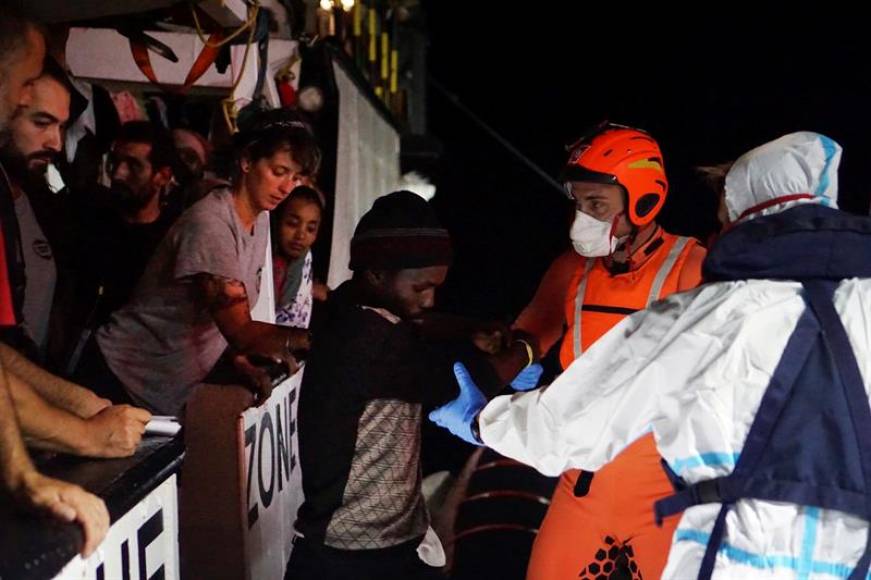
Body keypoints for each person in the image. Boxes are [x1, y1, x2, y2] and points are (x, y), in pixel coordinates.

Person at [431, 131, 871, 578]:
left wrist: (482, 421)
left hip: (717, 531)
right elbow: (533, 333)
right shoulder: (863, 303)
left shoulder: (710, 307)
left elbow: (581, 416)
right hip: (854, 552)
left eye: (724, 218)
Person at [286, 191, 539, 580]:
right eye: (421, 287)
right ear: (376, 273)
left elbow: (419, 324)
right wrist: (531, 345)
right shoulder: (369, 338)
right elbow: (469, 384)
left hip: (381, 545)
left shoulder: (352, 309)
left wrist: (470, 328)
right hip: (352, 556)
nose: (430, 298)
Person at [501, 123, 706, 579]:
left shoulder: (692, 268)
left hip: (664, 491)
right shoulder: (573, 268)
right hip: (582, 484)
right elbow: (527, 338)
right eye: (578, 202)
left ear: (644, 199)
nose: (582, 218)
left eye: (596, 204)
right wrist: (493, 375)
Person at [89, 109, 319, 413]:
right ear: (247, 160)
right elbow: (241, 330)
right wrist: (322, 341)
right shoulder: (211, 224)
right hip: (120, 377)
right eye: (279, 172)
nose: (287, 188)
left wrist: (238, 361)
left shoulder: (260, 220)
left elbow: (220, 322)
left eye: (296, 177)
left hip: (158, 388)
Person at [0, 8, 109, 557]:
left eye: (62, 125)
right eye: (39, 117)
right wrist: (77, 428)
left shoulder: (38, 193)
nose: (54, 138)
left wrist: (76, 403)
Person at [271, 184, 326, 329]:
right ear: (278, 220)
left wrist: (310, 289)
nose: (301, 236)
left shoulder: (305, 254)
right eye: (292, 224)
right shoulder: (270, 266)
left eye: (310, 229)